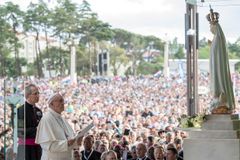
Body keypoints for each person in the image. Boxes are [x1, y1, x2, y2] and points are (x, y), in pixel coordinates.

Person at [35, 93, 83, 160]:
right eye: (60, 101)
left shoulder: (62, 119)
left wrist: (77, 141)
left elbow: (69, 140)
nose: (63, 103)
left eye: (63, 101)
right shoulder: (46, 119)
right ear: (51, 104)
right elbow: (48, 145)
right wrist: (67, 143)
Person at [207, 8, 235, 113]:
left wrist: (212, 48)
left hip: (218, 68)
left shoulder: (218, 39)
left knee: (220, 83)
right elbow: (215, 54)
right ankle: (219, 99)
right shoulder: (216, 39)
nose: (210, 28)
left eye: (211, 26)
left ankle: (222, 99)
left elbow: (218, 55)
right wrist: (211, 47)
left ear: (215, 27)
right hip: (215, 66)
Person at [16, 84, 43, 160]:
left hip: (38, 148)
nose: (38, 95)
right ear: (28, 95)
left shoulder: (39, 111)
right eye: (35, 93)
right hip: (26, 149)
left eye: (38, 93)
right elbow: (19, 132)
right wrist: (36, 129)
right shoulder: (21, 110)